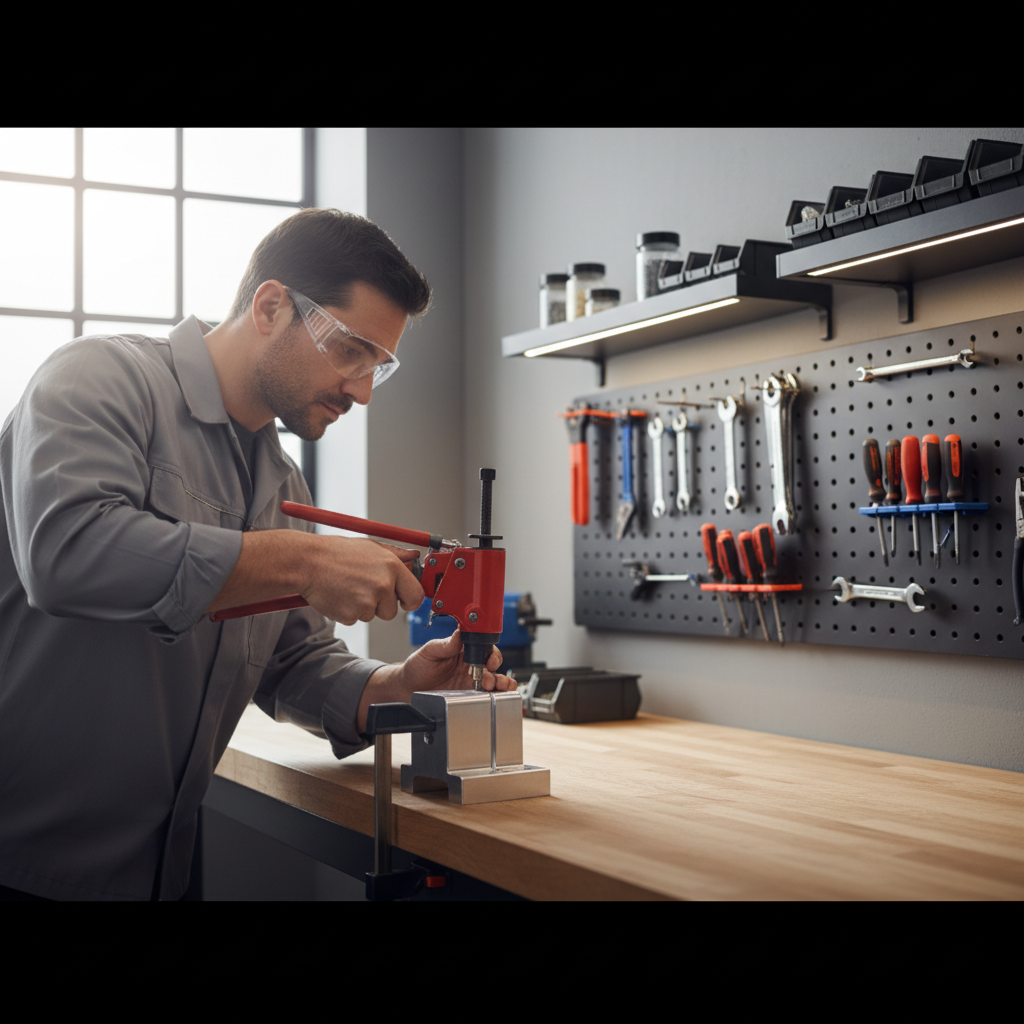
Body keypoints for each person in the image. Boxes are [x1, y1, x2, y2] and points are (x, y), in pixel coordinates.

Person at [0, 208, 515, 901]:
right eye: (351, 349)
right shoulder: (99, 380)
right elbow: (67, 553)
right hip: (24, 865)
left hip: (162, 870)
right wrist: (303, 563)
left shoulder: (281, 483)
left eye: (378, 368)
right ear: (271, 306)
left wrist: (396, 686)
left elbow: (291, 662)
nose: (362, 390)